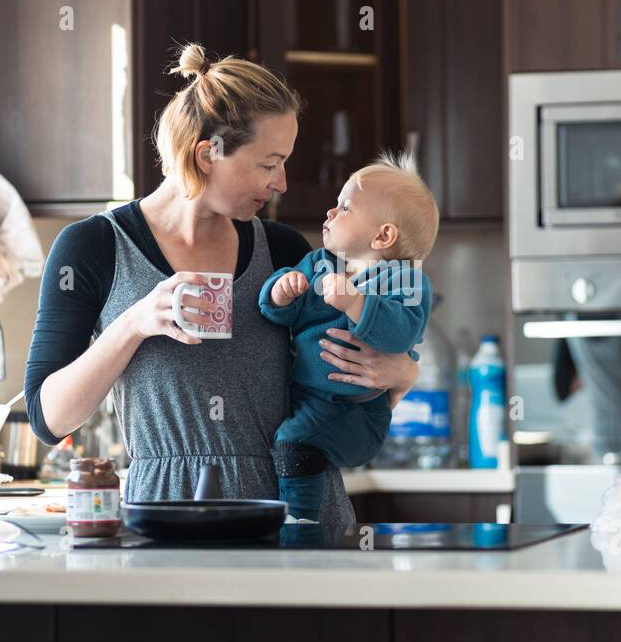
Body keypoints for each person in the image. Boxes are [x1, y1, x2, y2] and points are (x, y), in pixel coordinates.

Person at [23, 44, 420, 533]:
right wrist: (134, 323)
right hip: (168, 518)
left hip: (296, 518)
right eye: (268, 163)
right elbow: (49, 419)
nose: (283, 183)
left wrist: (400, 374)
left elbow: (336, 385)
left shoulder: (282, 249)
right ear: (207, 154)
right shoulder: (94, 247)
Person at [259, 155, 439, 521]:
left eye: (345, 207)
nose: (330, 212)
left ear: (383, 235)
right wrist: (280, 294)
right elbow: (281, 314)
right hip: (310, 396)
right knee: (290, 433)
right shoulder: (317, 264)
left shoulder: (405, 280)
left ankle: (301, 521)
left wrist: (357, 303)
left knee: (293, 439)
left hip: (356, 411)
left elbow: (401, 333)